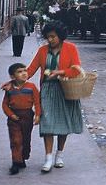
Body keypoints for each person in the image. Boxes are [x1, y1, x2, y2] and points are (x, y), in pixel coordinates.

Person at [24, 21, 83, 172]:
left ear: (60, 36)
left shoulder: (71, 48)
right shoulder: (42, 51)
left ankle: (60, 155)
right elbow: (30, 70)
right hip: (48, 90)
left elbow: (76, 70)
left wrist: (60, 72)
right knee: (47, 124)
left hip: (66, 89)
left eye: (53, 37)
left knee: (63, 124)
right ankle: (48, 157)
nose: (50, 40)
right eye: (48, 37)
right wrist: (17, 79)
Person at [2, 62, 41, 174]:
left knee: (25, 139)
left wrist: (38, 115)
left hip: (27, 116)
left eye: (25, 71)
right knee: (16, 140)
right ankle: (15, 162)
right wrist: (11, 114)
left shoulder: (31, 87)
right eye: (20, 72)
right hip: (14, 117)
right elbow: (4, 104)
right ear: (13, 76)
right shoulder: (9, 89)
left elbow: (37, 102)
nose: (24, 73)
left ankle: (23, 157)